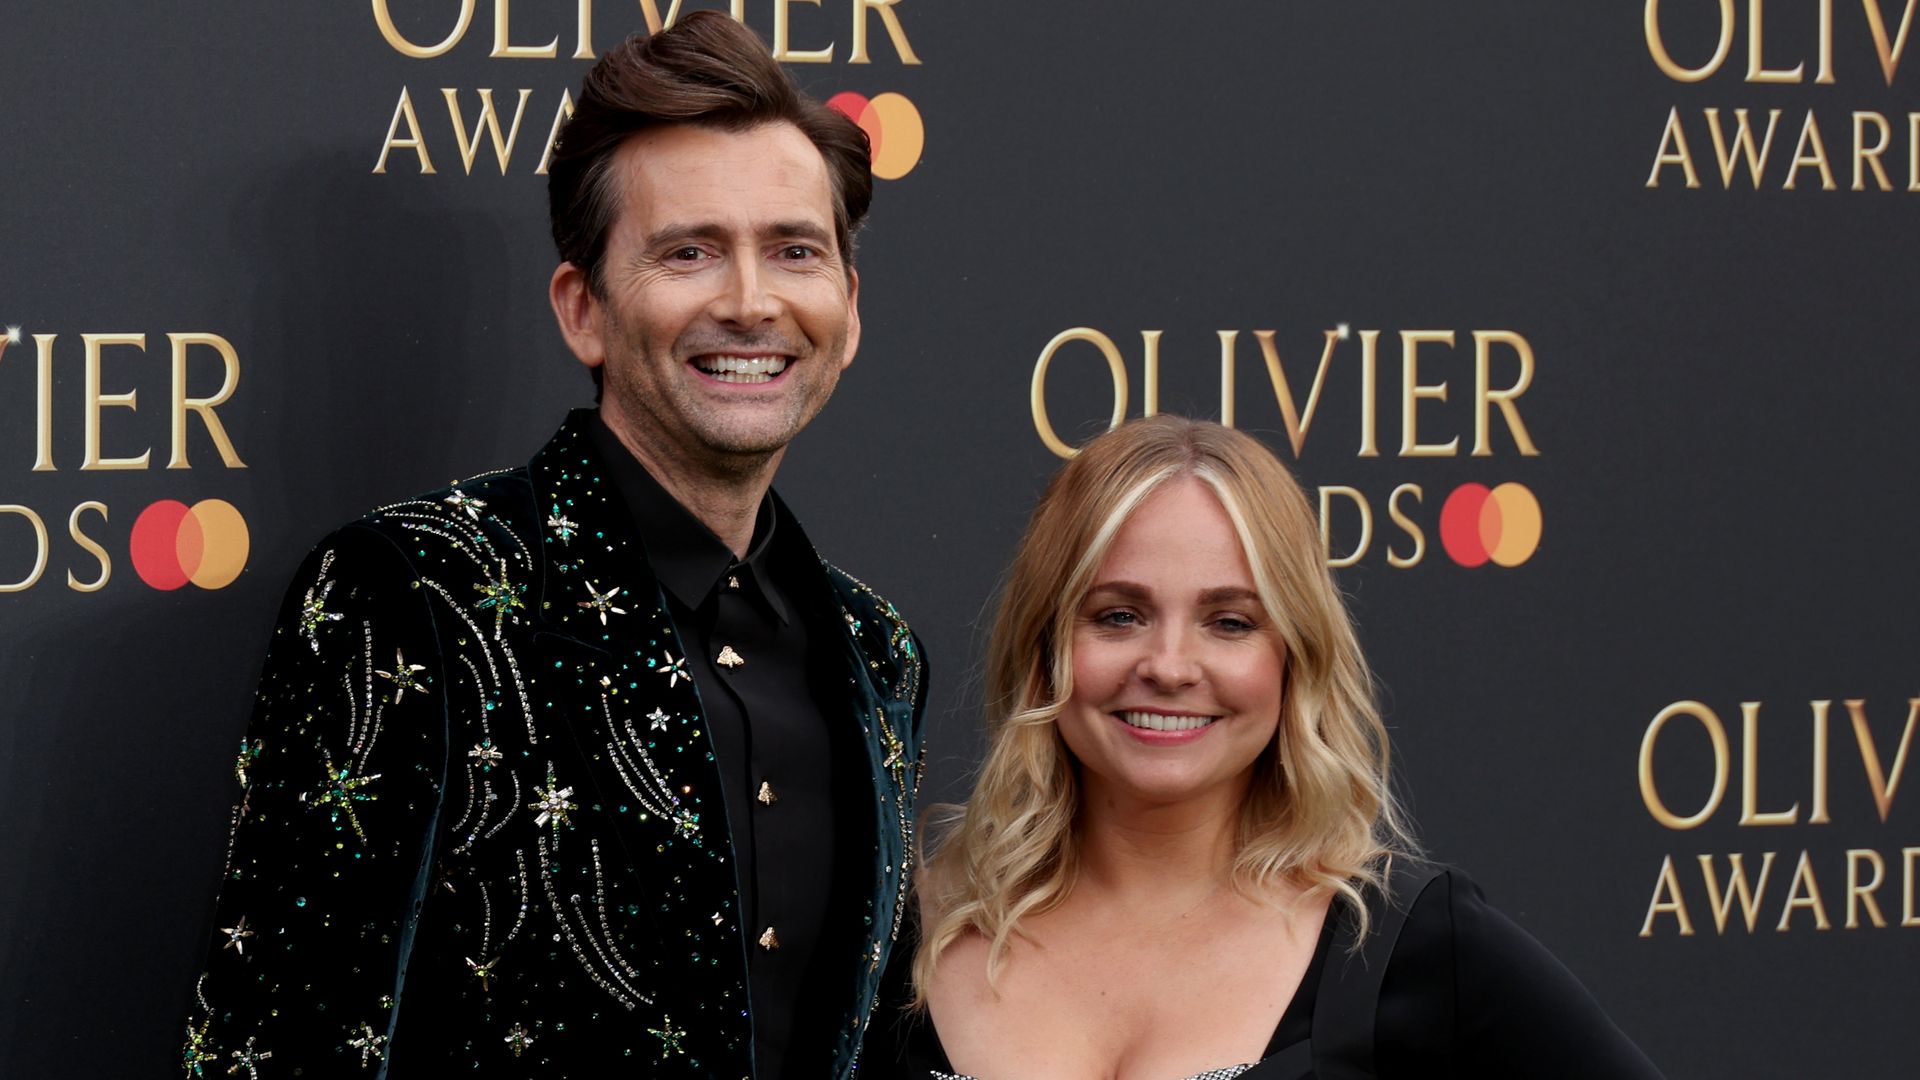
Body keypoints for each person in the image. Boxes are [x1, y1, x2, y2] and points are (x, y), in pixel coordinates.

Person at [181, 13, 926, 1078]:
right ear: (584, 310)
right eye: (689, 252)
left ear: (846, 310)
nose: (751, 301)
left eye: (794, 251)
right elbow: (277, 1050)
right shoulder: (417, 593)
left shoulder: (876, 650)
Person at [861, 416, 1659, 1079]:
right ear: (1042, 645)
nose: (1169, 666)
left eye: (1230, 622)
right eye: (1118, 615)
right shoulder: (896, 937)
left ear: (1294, 658)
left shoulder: (1403, 944)